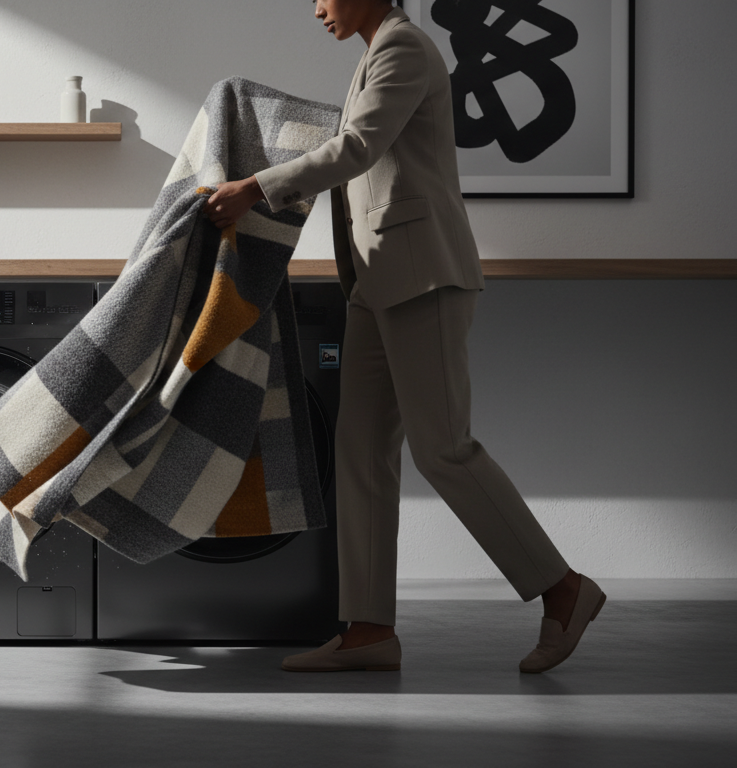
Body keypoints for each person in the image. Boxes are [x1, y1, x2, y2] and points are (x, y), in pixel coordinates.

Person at [203, 0, 604, 673]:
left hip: (422, 277)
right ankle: (368, 631)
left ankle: (564, 590)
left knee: (443, 448)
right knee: (358, 449)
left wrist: (254, 188)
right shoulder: (377, 53)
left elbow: (358, 148)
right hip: (377, 283)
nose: (316, 8)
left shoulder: (404, 49)